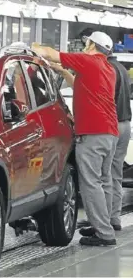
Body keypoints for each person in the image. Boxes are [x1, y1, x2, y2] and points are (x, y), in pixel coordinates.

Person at [31, 31, 119, 246]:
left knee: (91, 184)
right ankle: (103, 224)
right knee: (103, 181)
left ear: (91, 45)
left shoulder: (88, 60)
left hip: (93, 133)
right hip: (109, 132)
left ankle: (104, 234)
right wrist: (61, 71)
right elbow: (79, 83)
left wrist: (32, 48)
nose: (84, 45)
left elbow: (50, 53)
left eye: (86, 42)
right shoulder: (106, 67)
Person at [77, 51, 132, 232]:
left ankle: (104, 220)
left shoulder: (106, 69)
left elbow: (103, 98)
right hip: (125, 124)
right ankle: (113, 217)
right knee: (115, 173)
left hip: (111, 125)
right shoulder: (122, 69)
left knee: (103, 175)